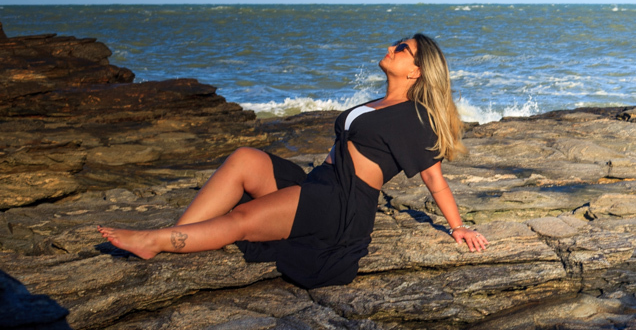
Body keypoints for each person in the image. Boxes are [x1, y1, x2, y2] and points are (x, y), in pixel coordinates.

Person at [98, 34, 488, 287]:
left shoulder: (413, 117)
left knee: (241, 222)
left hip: (340, 206)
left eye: (401, 49)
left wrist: (458, 227)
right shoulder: (379, 103)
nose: (391, 48)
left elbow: (435, 180)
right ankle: (180, 235)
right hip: (320, 182)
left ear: (416, 70)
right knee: (245, 159)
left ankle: (154, 242)